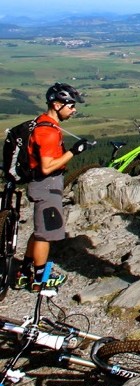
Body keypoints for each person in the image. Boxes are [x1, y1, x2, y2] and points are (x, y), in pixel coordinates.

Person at [14, 83, 89, 292]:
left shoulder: (44, 124)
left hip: (42, 185)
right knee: (45, 235)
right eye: (70, 105)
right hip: (46, 185)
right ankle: (39, 278)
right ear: (57, 105)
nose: (73, 110)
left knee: (40, 231)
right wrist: (75, 151)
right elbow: (47, 167)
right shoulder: (48, 132)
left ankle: (24, 270)